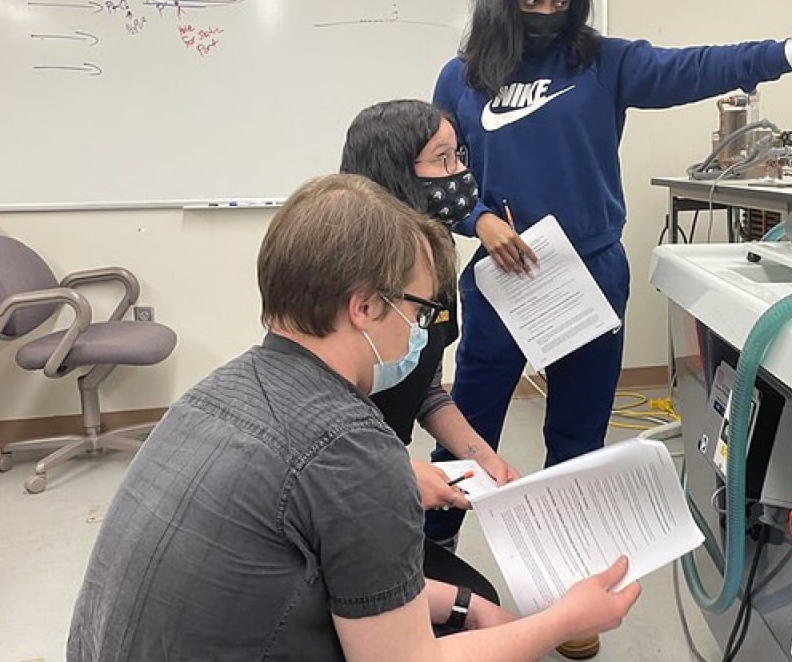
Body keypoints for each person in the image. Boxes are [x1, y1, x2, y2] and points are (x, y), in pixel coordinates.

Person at [426, 0, 792, 554]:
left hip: (589, 275)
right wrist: (478, 220)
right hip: (503, 277)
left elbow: (701, 65)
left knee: (577, 437)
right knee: (468, 426)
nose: (546, 12)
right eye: (529, 1)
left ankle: (570, 568)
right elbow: (437, 176)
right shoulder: (463, 76)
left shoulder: (602, 63)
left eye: (560, 0)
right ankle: (430, 557)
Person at [67, 174, 640, 661]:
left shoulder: (218, 389)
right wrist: (563, 620)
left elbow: (331, 574)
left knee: (468, 595)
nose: (420, 333)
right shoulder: (353, 449)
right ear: (365, 307)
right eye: (417, 311)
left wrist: (464, 605)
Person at [339, 98, 521, 608]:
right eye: (444, 160)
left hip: (383, 480)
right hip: (343, 485)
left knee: (474, 600)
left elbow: (427, 391)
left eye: (460, 156)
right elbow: (323, 426)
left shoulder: (435, 263)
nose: (462, 173)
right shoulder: (345, 276)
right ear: (395, 175)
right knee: (466, 608)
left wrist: (482, 457)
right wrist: (391, 475)